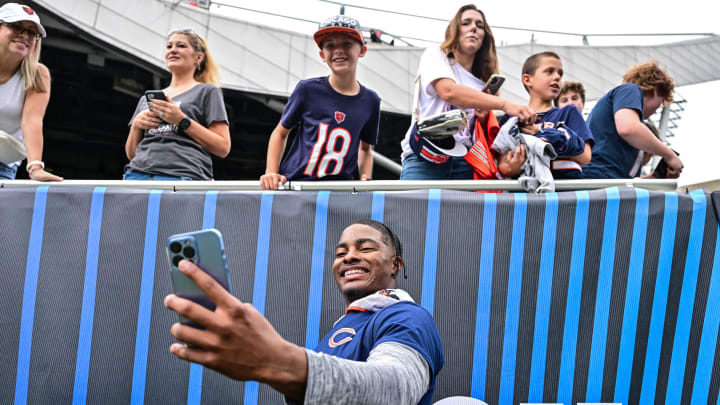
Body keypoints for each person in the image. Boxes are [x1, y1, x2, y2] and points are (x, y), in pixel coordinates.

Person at [164, 219, 444, 404]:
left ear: (395, 265)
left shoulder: (406, 316)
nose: (349, 257)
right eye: (340, 253)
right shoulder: (342, 329)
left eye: (366, 248)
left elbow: (397, 389)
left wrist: (277, 361)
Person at [399, 4, 534, 180]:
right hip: (426, 159)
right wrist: (505, 104)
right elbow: (448, 91)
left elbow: (479, 132)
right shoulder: (435, 56)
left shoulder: (482, 82)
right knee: (416, 208)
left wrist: (484, 118)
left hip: (466, 161)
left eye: (480, 26)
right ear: (455, 30)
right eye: (466, 23)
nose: (473, 28)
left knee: (465, 209)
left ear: (485, 36)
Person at [260, 15, 379, 190]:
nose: (338, 50)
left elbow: (366, 149)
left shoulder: (371, 101)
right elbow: (280, 133)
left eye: (347, 43)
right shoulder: (307, 90)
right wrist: (271, 171)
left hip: (340, 191)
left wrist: (365, 178)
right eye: (330, 45)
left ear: (362, 51)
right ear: (322, 55)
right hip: (297, 185)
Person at [124, 28, 230, 180]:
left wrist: (181, 120)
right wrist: (136, 126)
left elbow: (223, 147)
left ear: (198, 58)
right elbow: (132, 154)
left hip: (182, 175)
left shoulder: (207, 91)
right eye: (169, 46)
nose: (173, 50)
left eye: (181, 46)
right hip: (137, 174)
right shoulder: (146, 99)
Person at [497, 52, 593, 179]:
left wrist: (548, 136)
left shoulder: (569, 112)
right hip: (526, 195)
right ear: (527, 80)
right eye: (550, 71)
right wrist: (514, 167)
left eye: (560, 73)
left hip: (566, 193)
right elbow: (503, 166)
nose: (557, 77)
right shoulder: (511, 118)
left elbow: (586, 157)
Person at [582, 61, 683, 179]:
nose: (656, 110)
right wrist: (669, 155)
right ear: (656, 90)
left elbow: (628, 183)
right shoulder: (630, 90)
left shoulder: (626, 133)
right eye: (660, 103)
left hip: (603, 180)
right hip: (599, 178)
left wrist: (656, 177)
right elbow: (627, 128)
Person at [0, 3, 61, 181]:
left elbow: (32, 121)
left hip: (3, 165)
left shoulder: (38, 75)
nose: (24, 35)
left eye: (32, 32)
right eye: (15, 26)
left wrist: (35, 168)